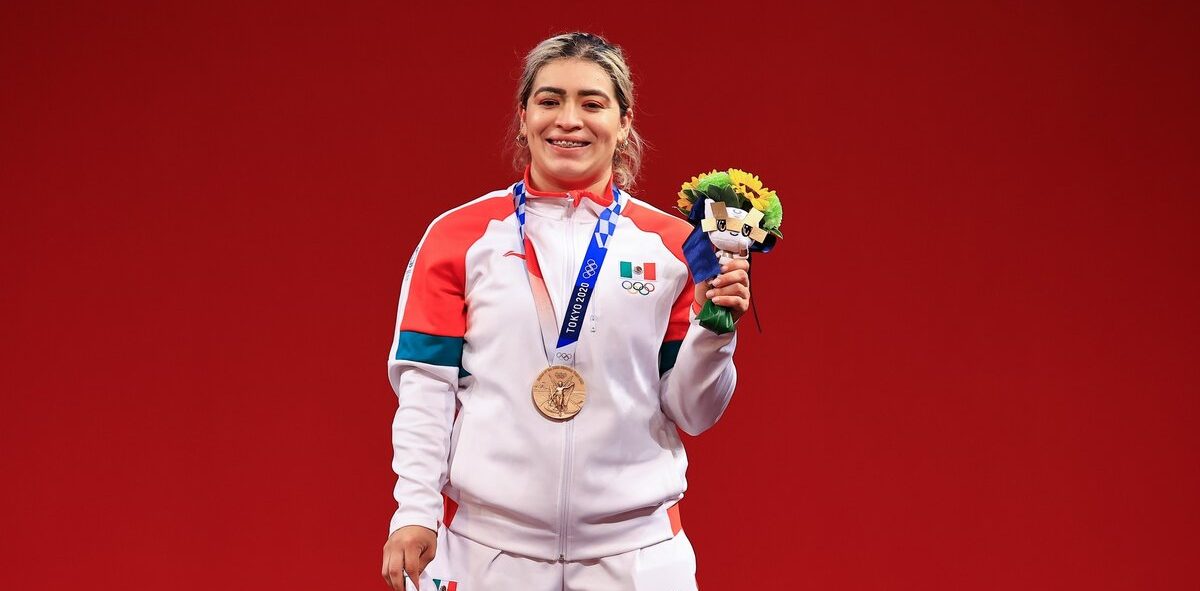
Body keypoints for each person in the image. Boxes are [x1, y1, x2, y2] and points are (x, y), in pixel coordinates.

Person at [381, 32, 751, 591]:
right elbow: (425, 388)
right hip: (489, 553)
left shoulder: (676, 247)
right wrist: (414, 510)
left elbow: (694, 412)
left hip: (638, 555)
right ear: (524, 117)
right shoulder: (459, 237)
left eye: (592, 103)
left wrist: (712, 330)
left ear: (624, 123)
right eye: (550, 100)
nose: (569, 120)